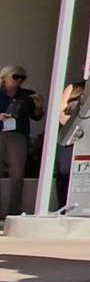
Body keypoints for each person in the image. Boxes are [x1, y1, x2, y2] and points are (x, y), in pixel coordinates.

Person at [0, 66, 44, 217]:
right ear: (4, 77)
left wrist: (38, 106)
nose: (19, 80)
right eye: (15, 76)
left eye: (22, 78)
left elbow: (36, 116)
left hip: (18, 135)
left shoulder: (27, 95)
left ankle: (14, 211)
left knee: (17, 174)